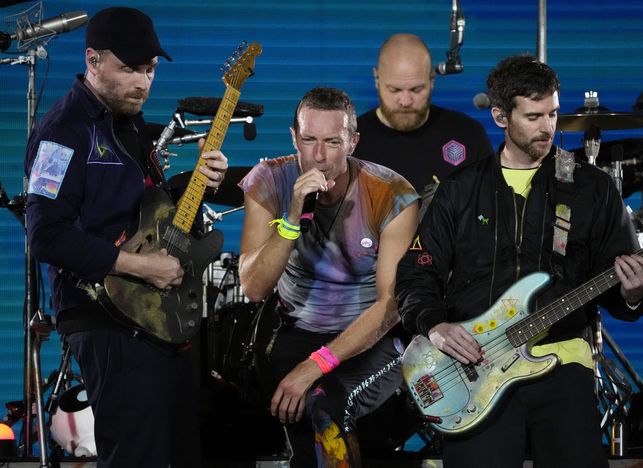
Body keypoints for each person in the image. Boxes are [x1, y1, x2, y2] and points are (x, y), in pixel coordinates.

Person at [395, 54, 643, 468]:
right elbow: (416, 273)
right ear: (500, 116)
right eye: (533, 116)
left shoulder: (592, 187)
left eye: (552, 114)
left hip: (563, 359)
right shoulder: (460, 190)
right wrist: (436, 326)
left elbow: (622, 293)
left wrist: (635, 291)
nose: (548, 127)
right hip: (475, 366)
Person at [24, 7, 228, 467]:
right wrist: (142, 266)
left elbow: (143, 217)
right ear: (93, 61)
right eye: (130, 69)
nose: (143, 83)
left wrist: (199, 181)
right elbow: (45, 235)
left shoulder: (130, 123)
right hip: (104, 320)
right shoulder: (62, 132)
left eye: (150, 70)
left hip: (155, 319)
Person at [237, 87, 419, 467]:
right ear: (293, 138)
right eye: (309, 140)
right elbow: (253, 288)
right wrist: (290, 219)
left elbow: (391, 306)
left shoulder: (392, 193)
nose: (318, 156)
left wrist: (316, 364)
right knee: (302, 441)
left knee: (327, 403)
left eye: (333, 142)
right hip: (297, 330)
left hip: (371, 336)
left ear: (353, 141)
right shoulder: (269, 180)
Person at [354, 33, 493, 197]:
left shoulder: (468, 134)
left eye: (416, 89)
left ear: (432, 79)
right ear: (377, 78)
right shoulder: (351, 142)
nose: (405, 101)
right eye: (395, 90)